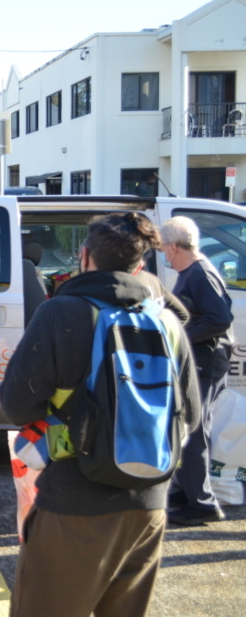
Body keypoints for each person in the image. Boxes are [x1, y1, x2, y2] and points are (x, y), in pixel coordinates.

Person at [1, 212, 201, 616]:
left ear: (84, 255)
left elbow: (17, 404)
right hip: (148, 504)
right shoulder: (166, 322)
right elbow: (191, 415)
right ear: (140, 265)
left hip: (75, 503)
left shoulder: (61, 312)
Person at [161, 215, 232, 526]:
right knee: (187, 427)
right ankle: (188, 490)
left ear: (175, 247)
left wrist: (181, 337)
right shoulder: (192, 270)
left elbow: (220, 318)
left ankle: (203, 504)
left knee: (193, 429)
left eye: (164, 247)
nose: (162, 253)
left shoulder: (200, 274)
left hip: (206, 362)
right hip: (199, 361)